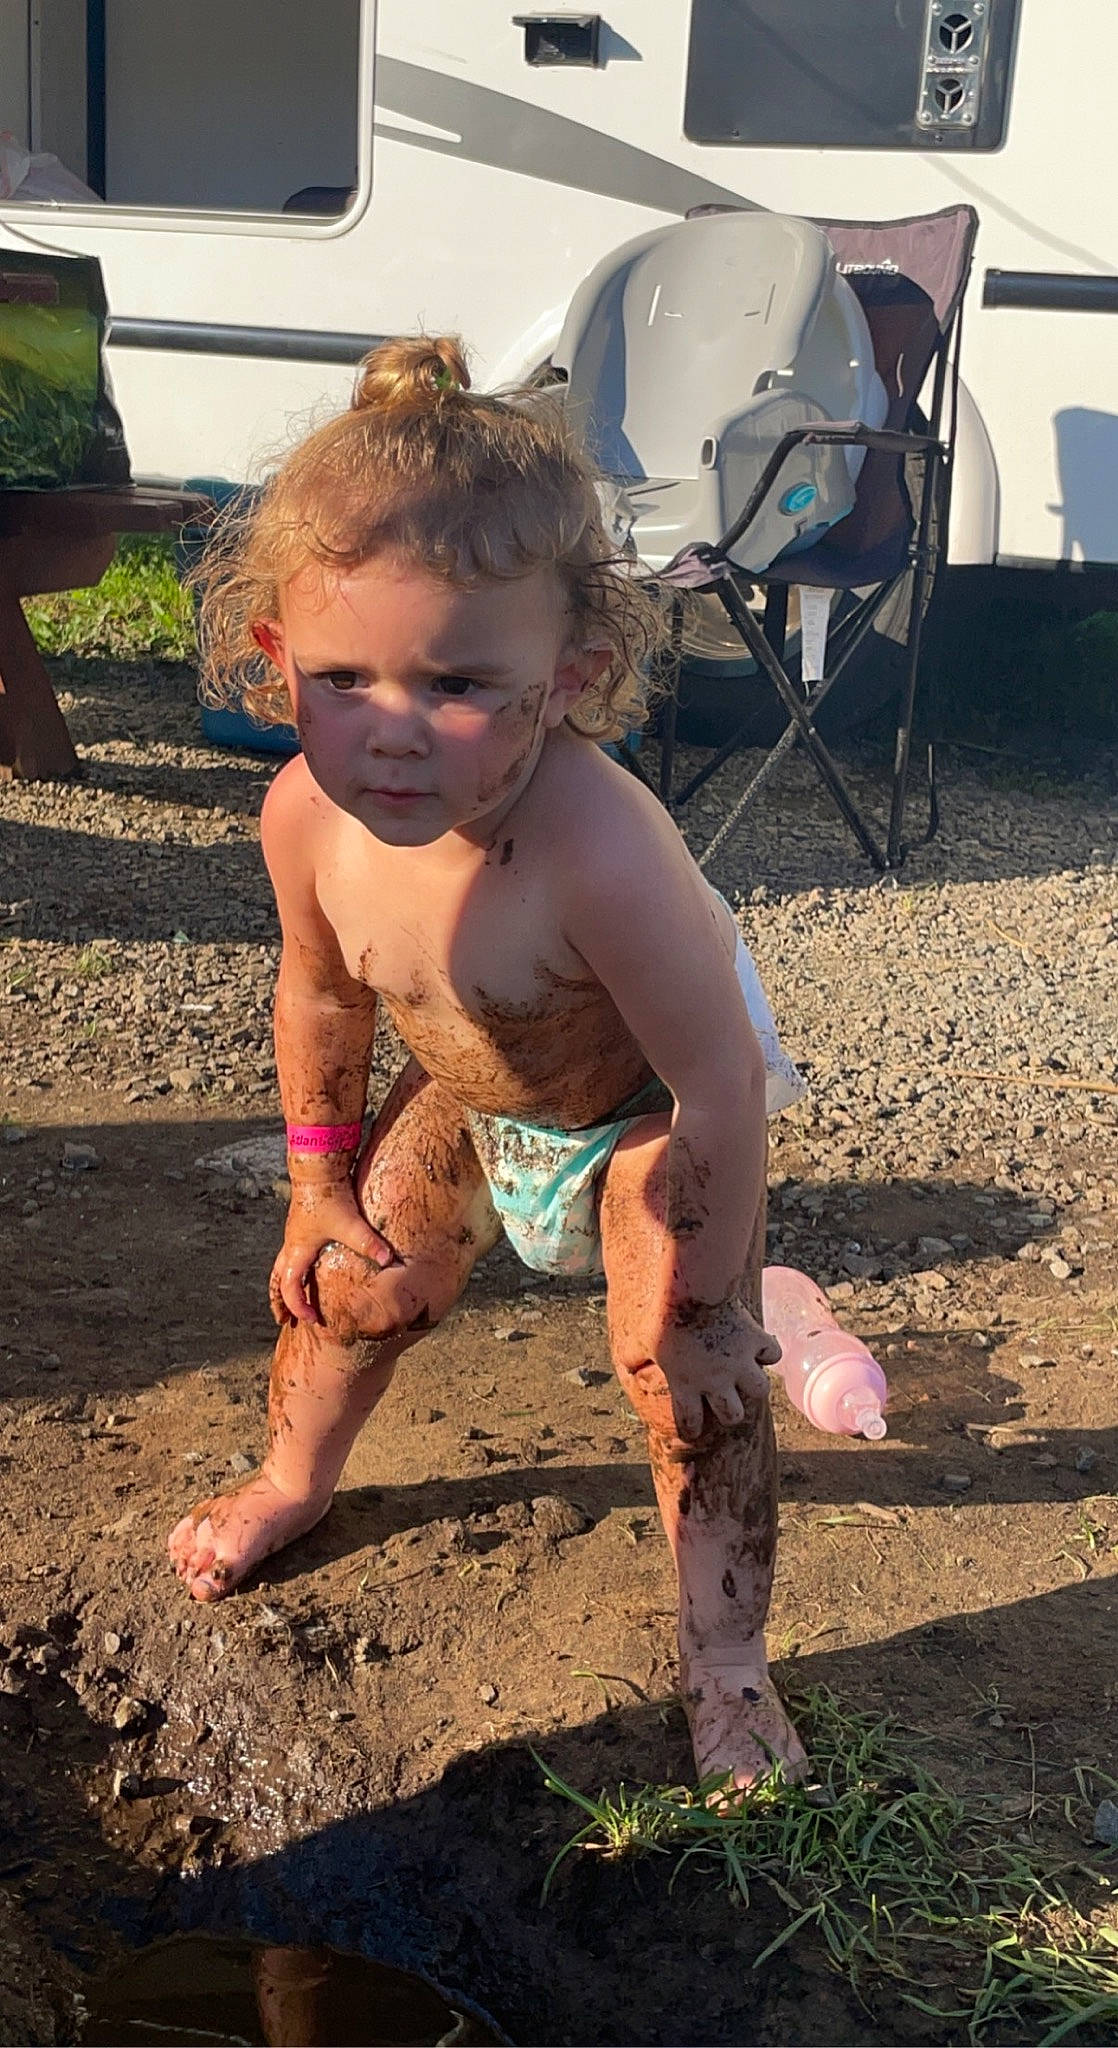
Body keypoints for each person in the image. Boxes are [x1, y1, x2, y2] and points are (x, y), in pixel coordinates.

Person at [168, 336, 808, 1791]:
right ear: (274, 660)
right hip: (477, 1085)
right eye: (342, 678)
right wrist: (313, 1188)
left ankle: (726, 1665)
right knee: (353, 1284)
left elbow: (714, 1082)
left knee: (682, 1381)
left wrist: (703, 1296)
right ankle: (290, 1479)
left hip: (648, 1108)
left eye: (457, 683)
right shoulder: (304, 819)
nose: (389, 733)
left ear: (572, 674)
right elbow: (321, 994)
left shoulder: (599, 849)